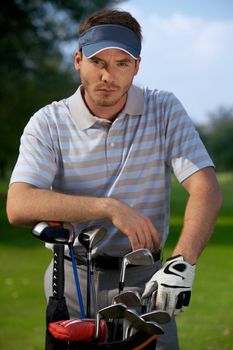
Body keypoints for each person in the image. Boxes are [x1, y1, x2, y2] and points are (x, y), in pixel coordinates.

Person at [7, 9, 222, 350]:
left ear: (136, 66)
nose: (108, 76)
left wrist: (182, 262)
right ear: (78, 60)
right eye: (98, 62)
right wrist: (109, 208)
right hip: (72, 280)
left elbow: (206, 190)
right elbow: (18, 205)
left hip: (146, 282)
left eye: (121, 63)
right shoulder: (47, 122)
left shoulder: (164, 109)